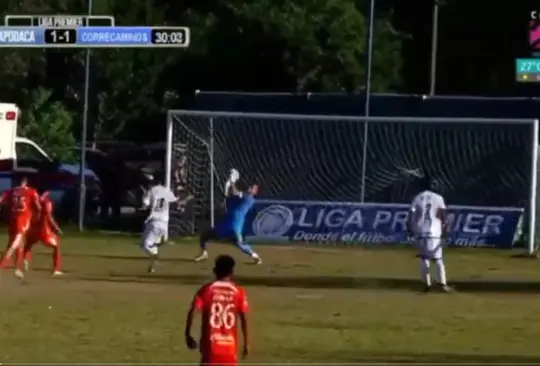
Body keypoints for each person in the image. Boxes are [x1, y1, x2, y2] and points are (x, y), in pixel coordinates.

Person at [185, 255, 249, 366]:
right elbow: (244, 318)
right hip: (230, 347)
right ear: (232, 272)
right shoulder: (239, 292)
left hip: (210, 347)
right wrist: (246, 343)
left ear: (214, 271)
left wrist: (188, 334)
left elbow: (193, 310)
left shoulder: (207, 289)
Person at [194, 181, 261, 264]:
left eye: (253, 188)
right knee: (206, 235)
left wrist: (231, 182)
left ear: (255, 192)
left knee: (206, 236)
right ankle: (255, 256)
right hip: (230, 226)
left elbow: (234, 194)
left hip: (231, 227)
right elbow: (232, 195)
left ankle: (204, 252)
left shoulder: (249, 199)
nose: (250, 188)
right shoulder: (239, 198)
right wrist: (230, 185)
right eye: (251, 187)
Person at [408, 176, 452, 292]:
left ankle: (427, 284)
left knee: (424, 257)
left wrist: (410, 229)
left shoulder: (417, 198)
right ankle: (442, 284)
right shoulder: (438, 198)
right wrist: (446, 230)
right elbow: (443, 216)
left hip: (420, 231)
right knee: (438, 259)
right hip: (435, 232)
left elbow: (411, 215)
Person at [141, 174, 192, 273]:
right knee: (153, 244)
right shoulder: (166, 191)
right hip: (164, 223)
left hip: (154, 222)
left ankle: (154, 256)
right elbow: (176, 203)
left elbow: (144, 205)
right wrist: (186, 199)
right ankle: (152, 267)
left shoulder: (151, 191)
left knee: (145, 245)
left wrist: (142, 205)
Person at [0, 176, 41, 279]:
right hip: (22, 219)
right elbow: (38, 205)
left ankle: (17, 268)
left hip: (12, 219)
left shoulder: (11, 191)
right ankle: (3, 263)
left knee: (19, 244)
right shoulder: (31, 191)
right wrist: (38, 214)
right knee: (16, 243)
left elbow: (1, 200)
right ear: (26, 183)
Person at [23, 191, 63, 275]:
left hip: (33, 230)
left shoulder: (33, 201)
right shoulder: (47, 202)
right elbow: (49, 217)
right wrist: (57, 228)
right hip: (44, 231)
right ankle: (56, 269)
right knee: (56, 245)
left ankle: (25, 260)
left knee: (28, 245)